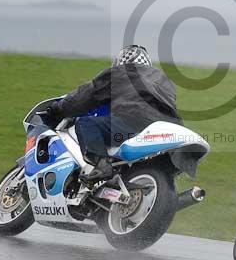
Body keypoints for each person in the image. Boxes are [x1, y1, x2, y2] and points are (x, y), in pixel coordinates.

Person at [43, 45, 182, 182]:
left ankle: (101, 165)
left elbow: (86, 95)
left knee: (87, 124)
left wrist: (58, 110)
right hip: (167, 126)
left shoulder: (121, 73)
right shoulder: (163, 81)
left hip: (135, 121)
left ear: (121, 62)